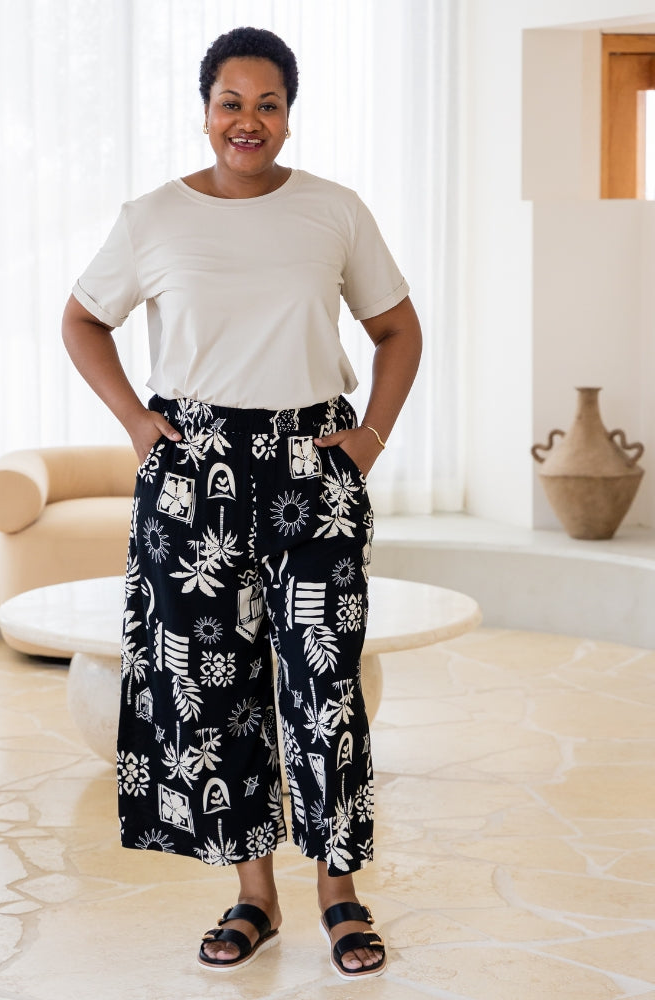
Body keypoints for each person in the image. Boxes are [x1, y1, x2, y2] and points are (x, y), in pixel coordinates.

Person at [62, 26, 421, 981]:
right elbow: (82, 318)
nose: (248, 121)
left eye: (267, 104)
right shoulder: (152, 219)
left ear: (289, 114)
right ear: (205, 108)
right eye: (232, 102)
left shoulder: (335, 212)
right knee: (214, 691)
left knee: (324, 687)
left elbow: (396, 329)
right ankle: (251, 894)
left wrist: (372, 437)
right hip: (194, 473)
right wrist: (140, 424)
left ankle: (339, 893)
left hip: (312, 464)